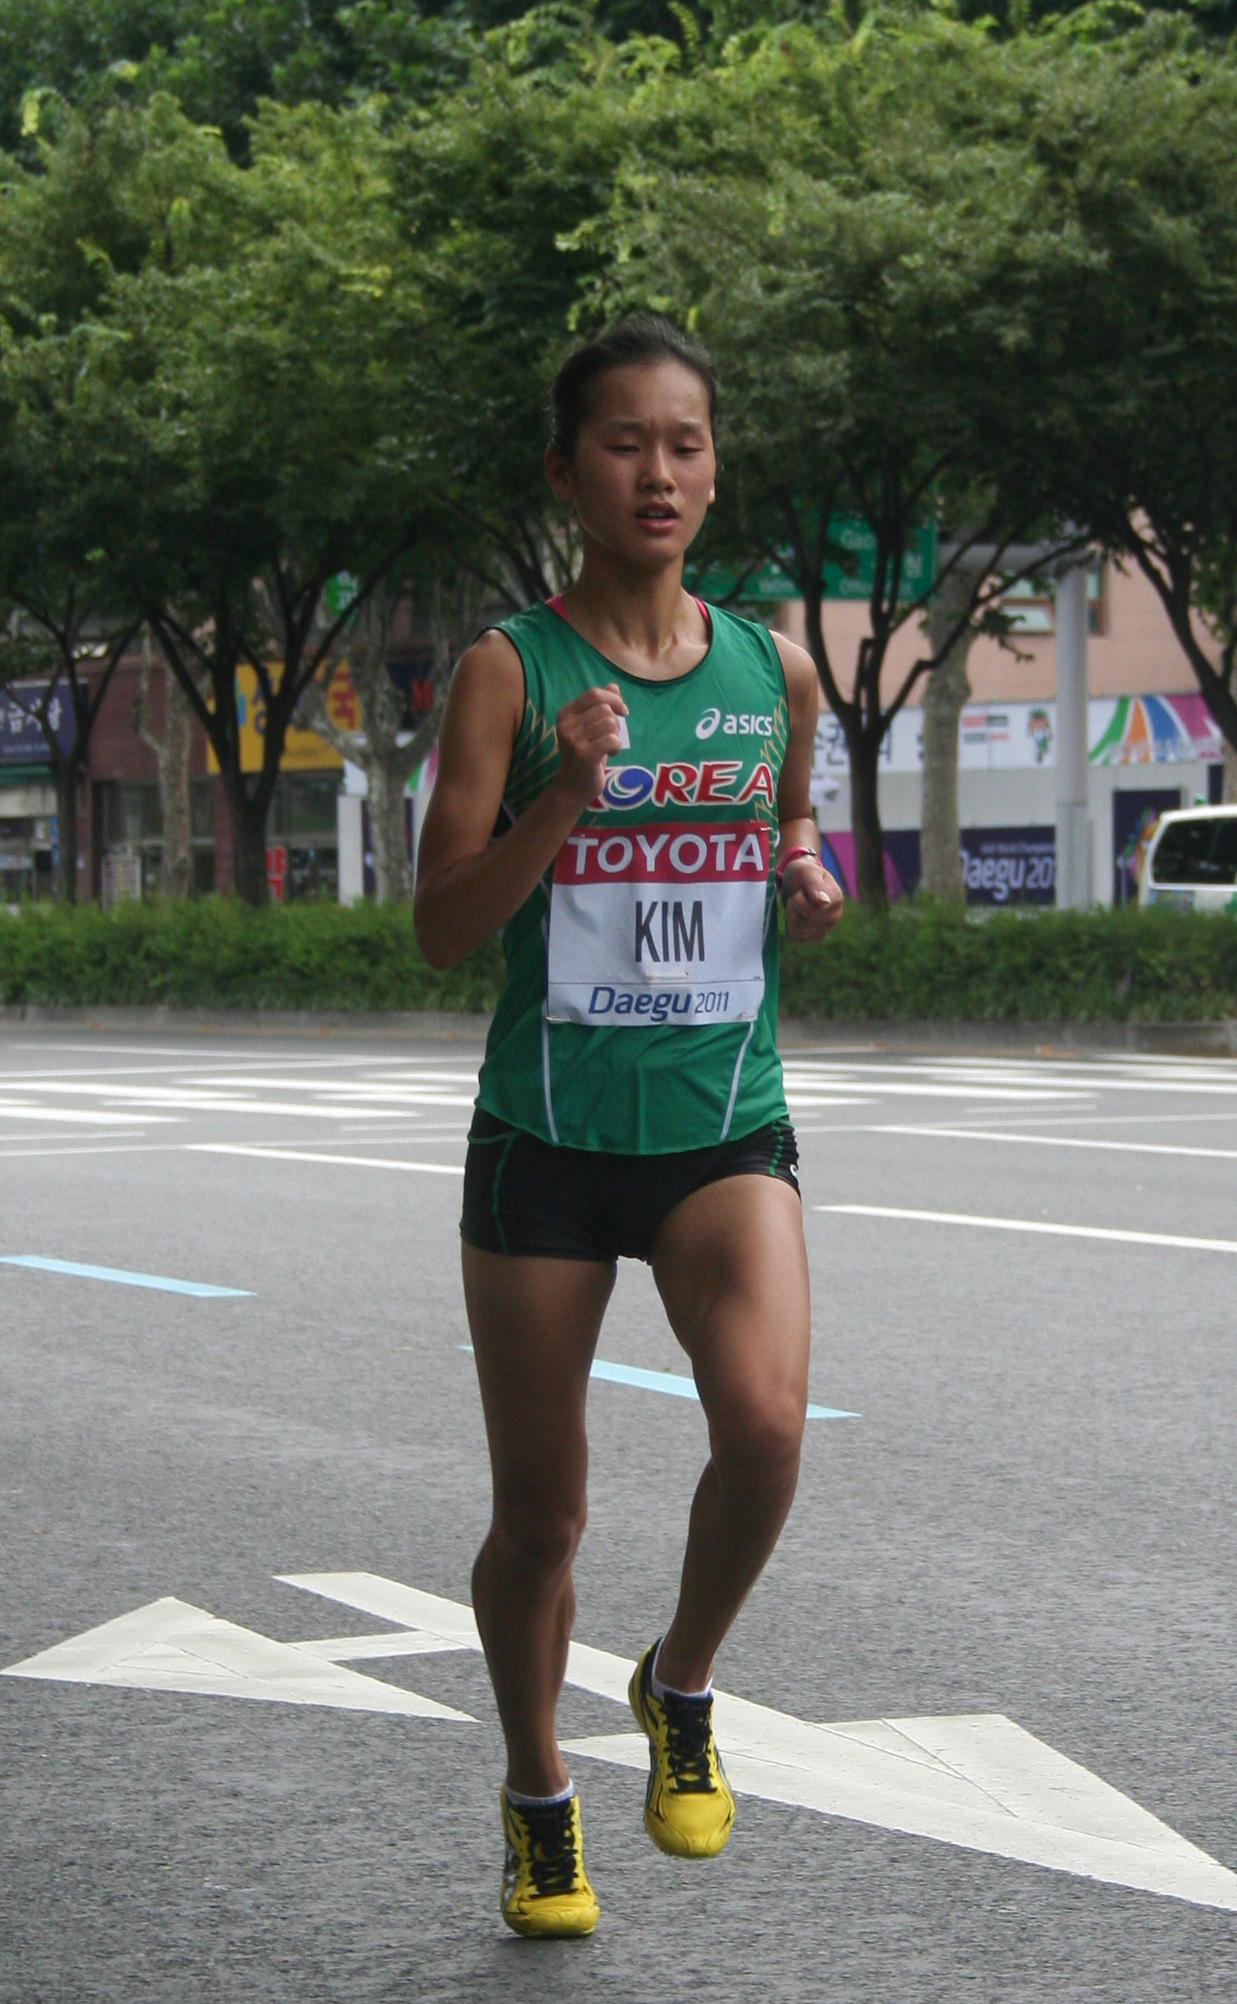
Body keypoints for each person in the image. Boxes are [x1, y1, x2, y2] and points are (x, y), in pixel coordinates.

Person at [413, 315, 844, 1938]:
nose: (657, 472)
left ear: (714, 470)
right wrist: (564, 798)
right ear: (565, 471)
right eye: (622, 444)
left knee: (769, 1428)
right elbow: (442, 929)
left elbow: (791, 821)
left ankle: (680, 1680)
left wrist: (806, 874)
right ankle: (538, 1799)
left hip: (725, 1120)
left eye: (686, 444)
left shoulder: (773, 668)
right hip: (545, 1139)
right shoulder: (511, 672)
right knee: (543, 1519)